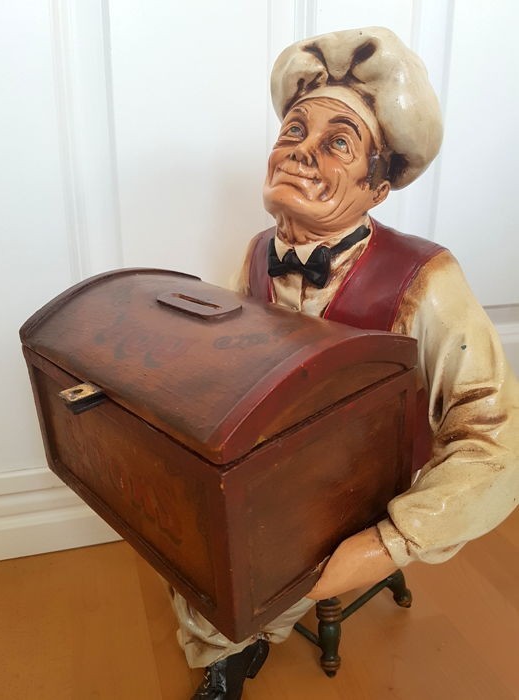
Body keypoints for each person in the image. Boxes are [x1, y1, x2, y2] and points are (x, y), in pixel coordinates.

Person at [172, 27, 519, 700]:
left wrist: (390, 541)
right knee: (196, 544)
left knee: (248, 566)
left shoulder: (426, 278)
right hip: (269, 465)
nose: (299, 151)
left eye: (337, 142)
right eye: (293, 130)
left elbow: (496, 438)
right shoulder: (255, 252)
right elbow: (227, 362)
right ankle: (229, 638)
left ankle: (235, 638)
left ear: (377, 186)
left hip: (361, 484)